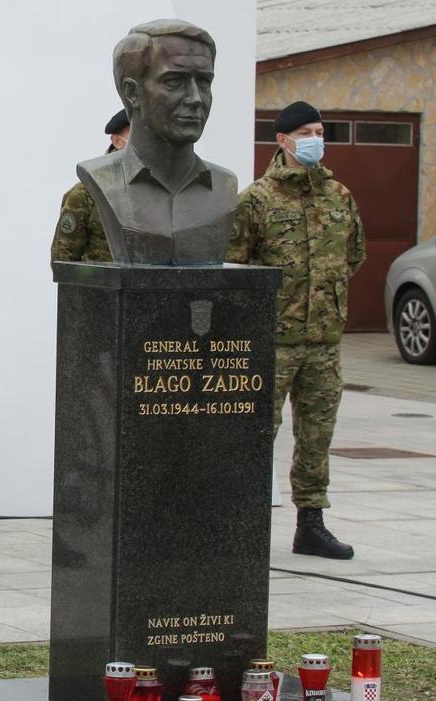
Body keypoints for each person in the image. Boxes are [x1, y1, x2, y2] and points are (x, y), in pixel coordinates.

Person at [228, 100, 365, 560]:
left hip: (324, 342)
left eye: (320, 132)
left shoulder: (339, 196)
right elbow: (234, 266)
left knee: (317, 436)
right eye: (306, 133)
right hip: (272, 341)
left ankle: (311, 524)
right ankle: (239, 525)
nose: (315, 140)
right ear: (283, 140)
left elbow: (353, 256)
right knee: (254, 434)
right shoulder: (256, 199)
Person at [77, 19, 237, 264]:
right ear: (132, 92)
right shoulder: (102, 180)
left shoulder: (224, 185)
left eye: (204, 82)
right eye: (174, 81)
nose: (196, 98)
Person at [50, 109, 128, 263]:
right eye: (136, 134)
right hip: (103, 279)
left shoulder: (167, 189)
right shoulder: (87, 193)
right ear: (117, 141)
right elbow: (64, 261)